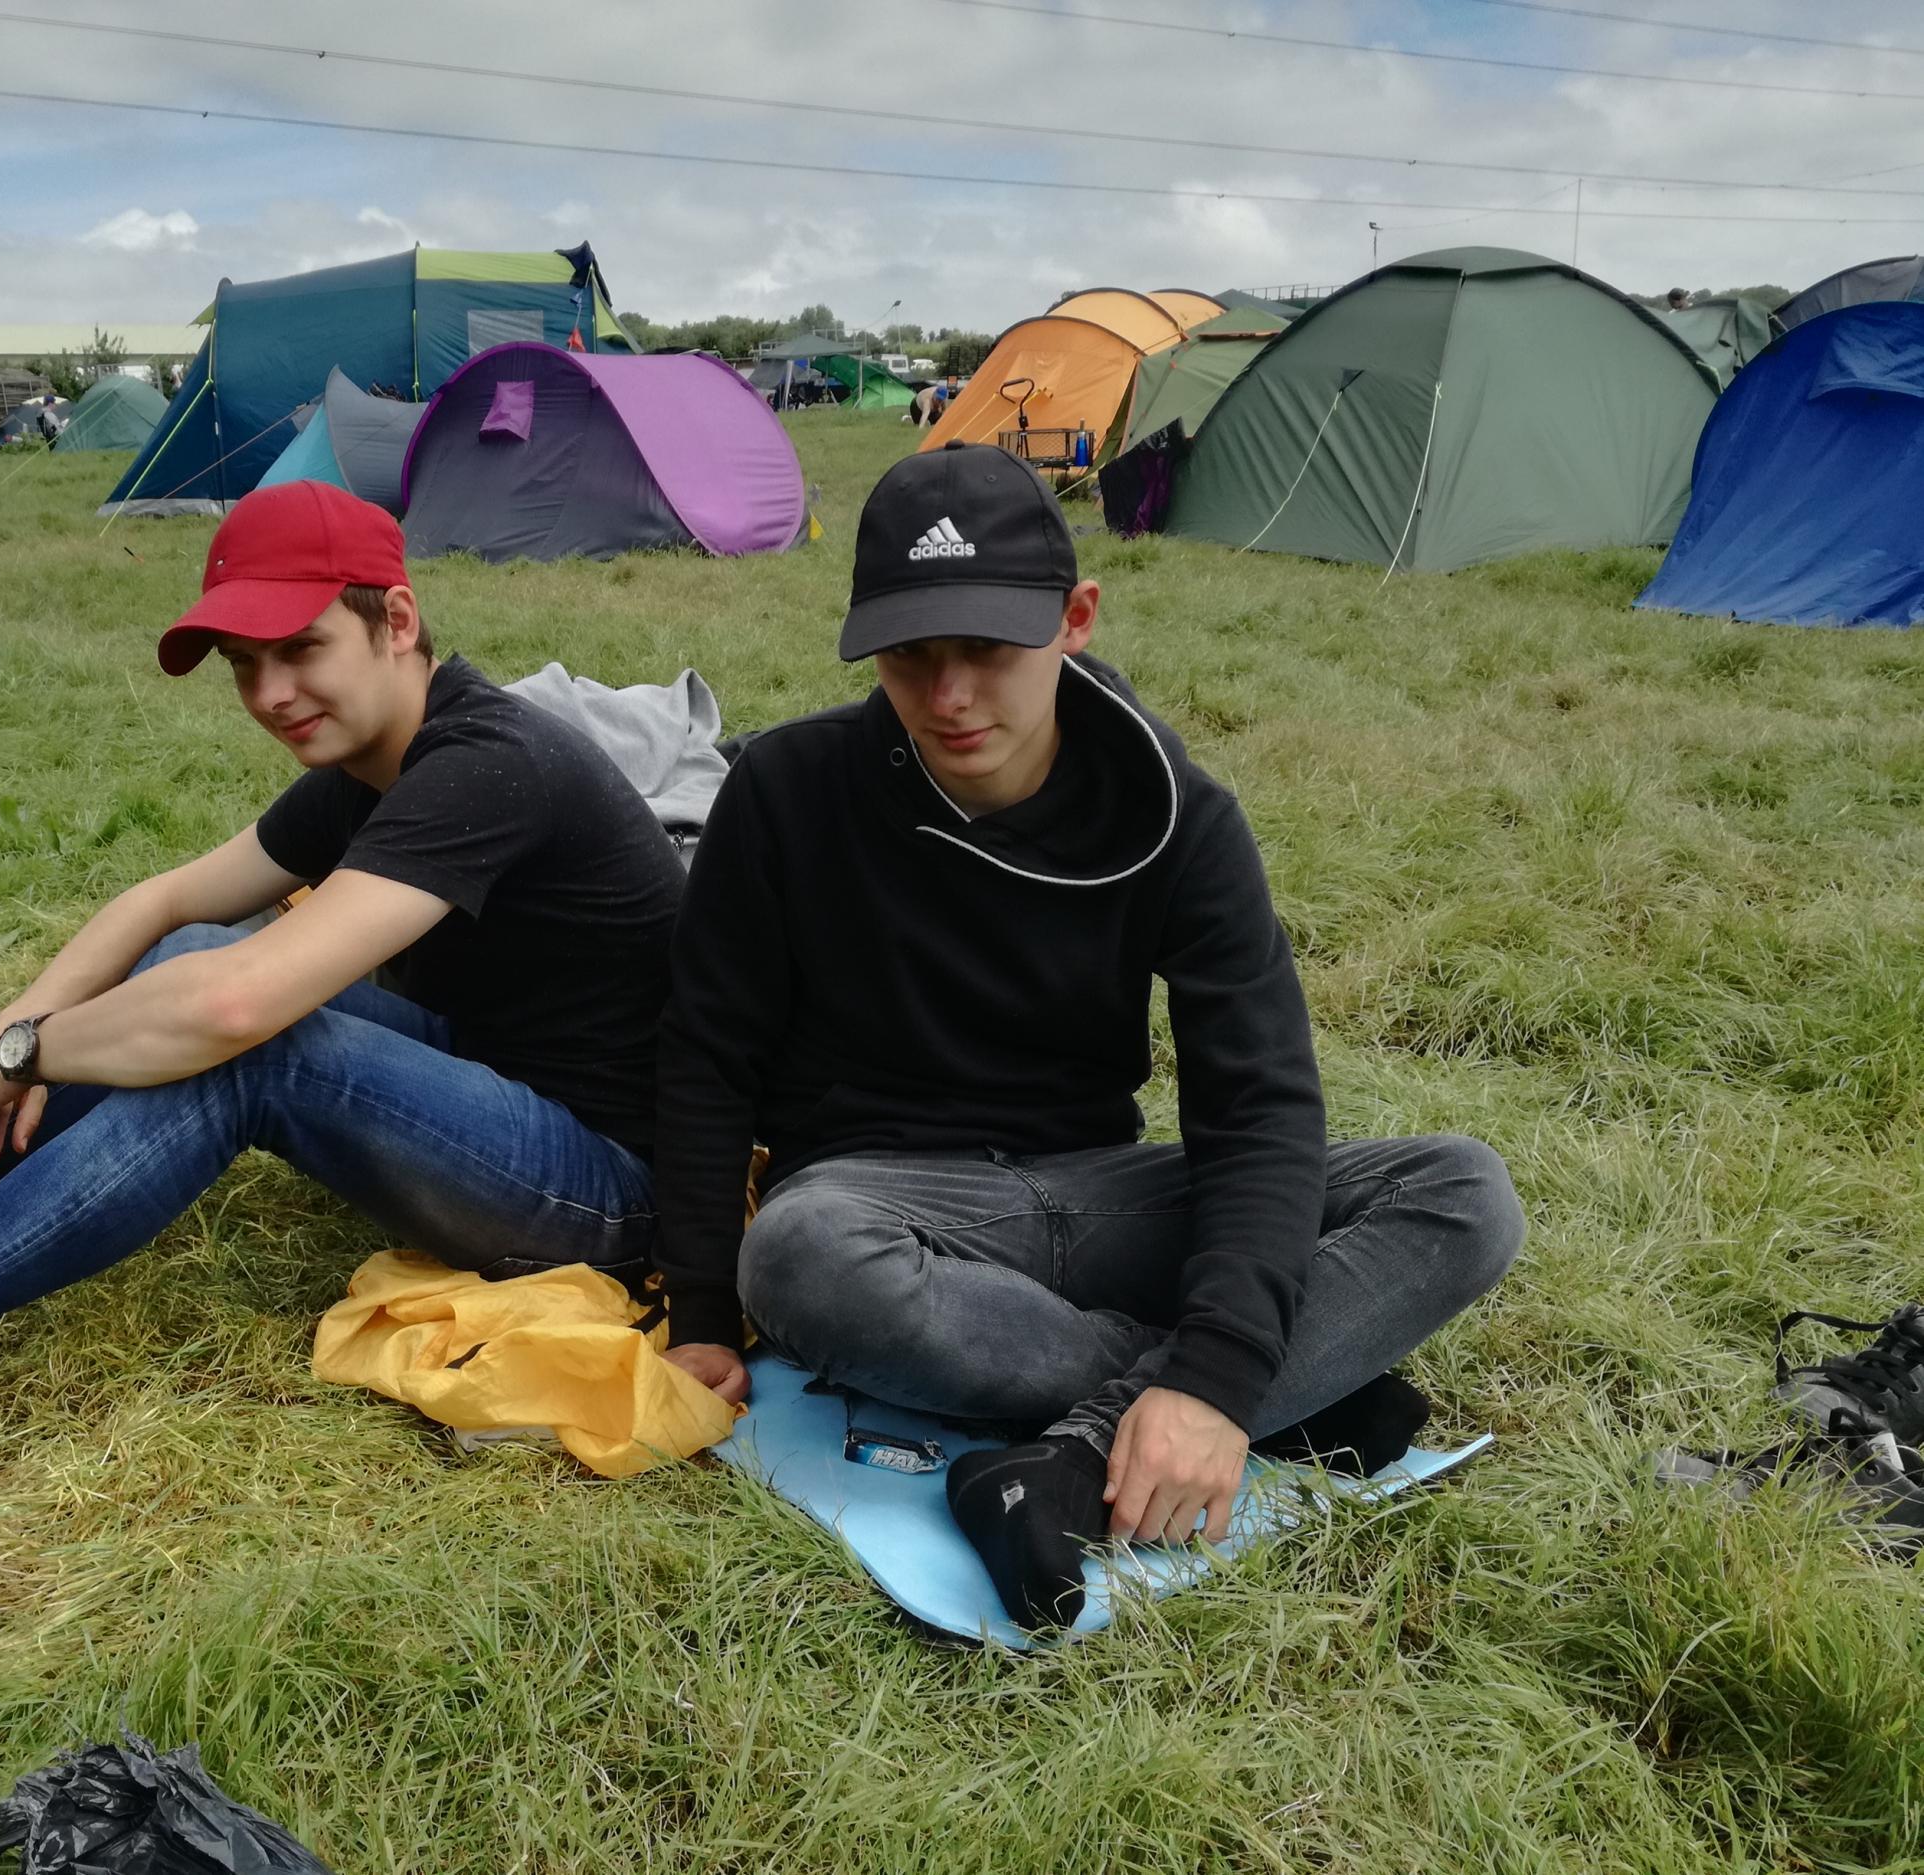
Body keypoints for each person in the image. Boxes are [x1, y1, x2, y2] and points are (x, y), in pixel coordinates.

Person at [0, 480, 687, 1459]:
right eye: (245, 665)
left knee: (249, 1046)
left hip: (603, 1185)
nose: (271, 695)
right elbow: (166, 902)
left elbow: (239, 1010)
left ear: (395, 620)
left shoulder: (487, 765)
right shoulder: (376, 760)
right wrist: (11, 1035)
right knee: (193, 956)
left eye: (301, 650)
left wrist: (26, 1053)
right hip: (499, 1084)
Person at [652, 444, 1525, 1629]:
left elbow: (1257, 1106)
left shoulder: (1179, 813)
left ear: (1074, 618)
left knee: (1462, 1193)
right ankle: (1282, 1387)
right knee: (798, 1256)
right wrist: (703, 1313)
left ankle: (1105, 1436)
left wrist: (1212, 1377)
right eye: (911, 655)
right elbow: (707, 1052)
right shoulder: (787, 788)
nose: (950, 696)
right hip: (885, 1207)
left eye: (988, 651)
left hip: (1100, 1194)